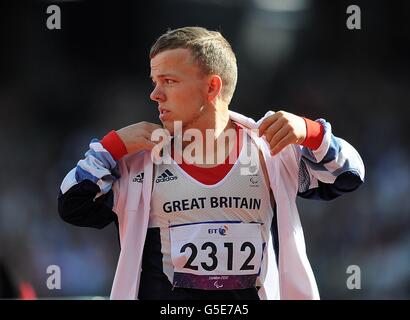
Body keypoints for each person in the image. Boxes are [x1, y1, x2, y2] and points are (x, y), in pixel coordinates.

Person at [58, 26, 364, 300]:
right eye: (155, 81)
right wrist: (112, 146)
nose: (155, 94)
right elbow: (72, 204)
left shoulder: (271, 150)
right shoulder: (138, 162)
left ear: (212, 87)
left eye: (169, 81)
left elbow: (348, 175)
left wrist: (311, 132)